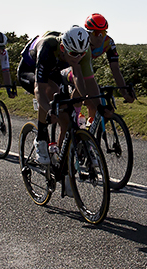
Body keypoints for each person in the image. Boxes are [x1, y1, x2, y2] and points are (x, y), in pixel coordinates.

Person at [16, 26, 101, 166]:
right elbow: (39, 89)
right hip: (30, 71)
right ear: (63, 48)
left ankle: (62, 161)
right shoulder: (47, 47)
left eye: (82, 54)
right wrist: (49, 110)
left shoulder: (79, 53)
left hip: (53, 71)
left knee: (65, 116)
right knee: (51, 91)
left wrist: (95, 103)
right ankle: (41, 139)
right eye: (74, 54)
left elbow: (83, 79)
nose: (78, 57)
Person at [84, 13, 137, 104]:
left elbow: (115, 69)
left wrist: (124, 92)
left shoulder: (108, 42)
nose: (100, 37)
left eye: (103, 32)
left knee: (94, 102)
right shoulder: (82, 41)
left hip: (86, 66)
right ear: (88, 33)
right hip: (70, 65)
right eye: (96, 33)